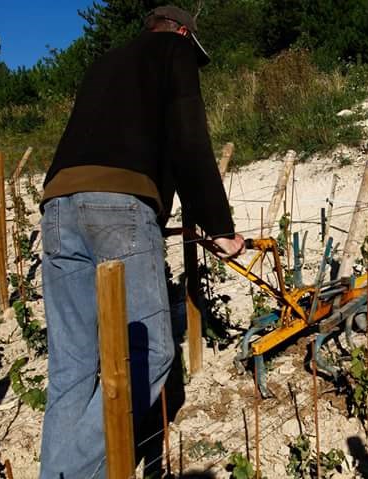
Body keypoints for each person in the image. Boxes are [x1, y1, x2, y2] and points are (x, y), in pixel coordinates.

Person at [38, 5, 245, 478]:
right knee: (152, 353)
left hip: (56, 204)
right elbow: (188, 139)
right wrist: (217, 226)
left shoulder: (106, 62)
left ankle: (57, 471)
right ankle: (73, 472)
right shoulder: (175, 52)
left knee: (70, 368)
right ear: (182, 33)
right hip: (118, 205)